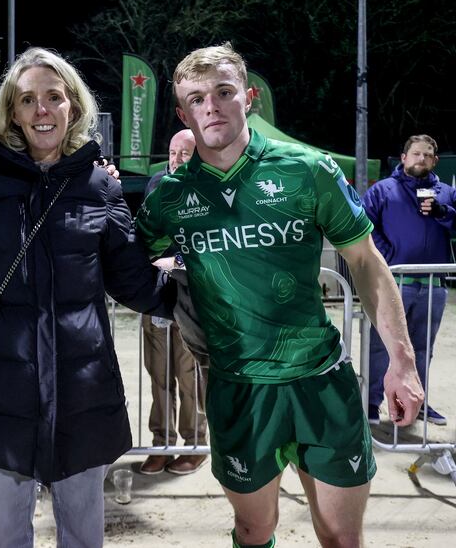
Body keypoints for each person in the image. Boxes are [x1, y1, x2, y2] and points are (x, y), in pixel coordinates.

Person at [136, 42, 424, 547]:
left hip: (320, 382)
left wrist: (402, 363)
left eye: (224, 92)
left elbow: (365, 260)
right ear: (182, 113)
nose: (212, 107)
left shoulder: (307, 170)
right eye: (197, 99)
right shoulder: (169, 198)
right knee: (254, 530)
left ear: (249, 98)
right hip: (239, 389)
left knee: (340, 537)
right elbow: (127, 259)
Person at [0, 47, 173, 548]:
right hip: (4, 385)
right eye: (28, 99)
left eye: (54, 97)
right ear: (12, 112)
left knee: (83, 531)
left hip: (83, 387)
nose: (42, 109)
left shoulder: (100, 187)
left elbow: (133, 282)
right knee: (7, 531)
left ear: (73, 107)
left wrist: (208, 294)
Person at [362, 134, 456, 426]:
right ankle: (371, 403)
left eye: (427, 155)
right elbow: (363, 225)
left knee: (422, 347)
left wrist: (444, 213)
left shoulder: (445, 193)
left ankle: (417, 404)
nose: (421, 159)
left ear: (435, 161)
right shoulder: (383, 190)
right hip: (395, 282)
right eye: (416, 154)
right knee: (383, 345)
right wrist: (389, 257)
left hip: (434, 284)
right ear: (403, 158)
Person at [140, 129, 209, 476]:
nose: (177, 159)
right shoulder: (156, 183)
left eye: (186, 153)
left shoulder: (208, 188)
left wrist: (176, 263)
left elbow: (210, 248)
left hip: (192, 299)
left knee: (190, 376)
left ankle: (195, 444)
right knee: (158, 375)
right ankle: (161, 443)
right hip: (156, 299)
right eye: (173, 152)